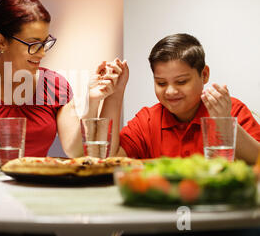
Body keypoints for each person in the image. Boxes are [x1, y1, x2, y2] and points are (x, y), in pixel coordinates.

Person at [0, 0, 120, 162]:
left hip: (36, 182)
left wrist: (93, 100)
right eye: (34, 44)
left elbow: (75, 151)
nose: (43, 53)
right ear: (1, 41)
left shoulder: (55, 84)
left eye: (45, 43)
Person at [100, 33, 260, 164]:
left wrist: (225, 123)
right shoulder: (147, 121)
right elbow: (107, 161)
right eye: (161, 83)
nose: (170, 91)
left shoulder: (231, 110)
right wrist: (115, 93)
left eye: (181, 82)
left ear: (204, 75)